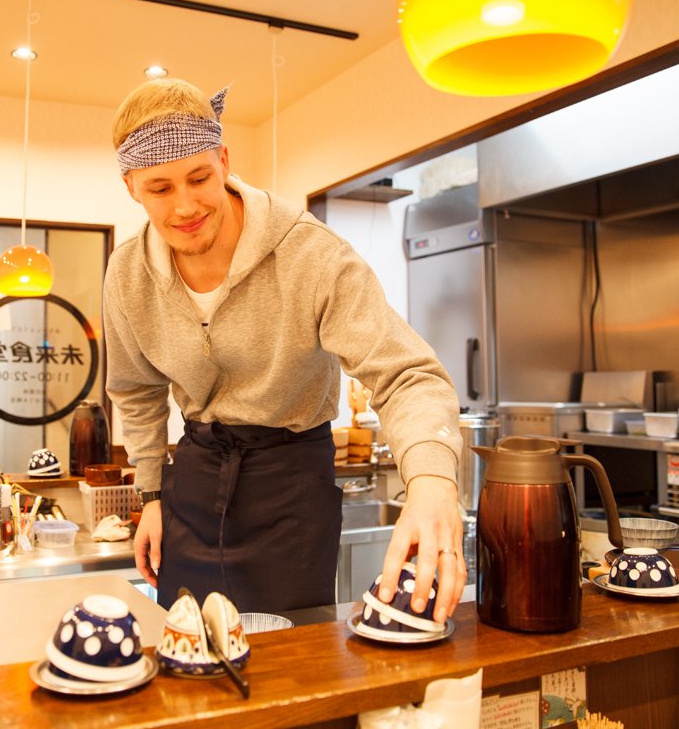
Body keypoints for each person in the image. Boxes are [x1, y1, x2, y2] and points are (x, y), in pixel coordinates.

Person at [102, 78, 464, 621]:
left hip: (291, 482)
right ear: (131, 187)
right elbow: (135, 391)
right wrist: (151, 496)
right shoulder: (128, 274)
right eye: (160, 188)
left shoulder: (311, 255)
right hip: (196, 480)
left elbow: (407, 374)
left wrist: (433, 482)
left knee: (294, 668)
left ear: (223, 160)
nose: (184, 206)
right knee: (187, 658)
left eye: (199, 177)